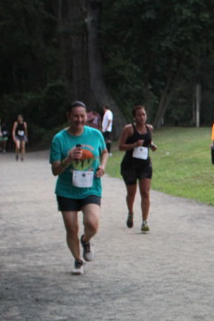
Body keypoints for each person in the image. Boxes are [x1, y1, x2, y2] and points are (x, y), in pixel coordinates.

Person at [50, 101, 108, 275]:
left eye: (82, 116)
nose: (79, 119)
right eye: (75, 116)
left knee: (93, 224)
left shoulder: (95, 134)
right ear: (69, 116)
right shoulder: (59, 139)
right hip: (67, 190)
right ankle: (77, 260)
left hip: (91, 187)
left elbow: (104, 152)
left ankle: (86, 239)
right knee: (71, 228)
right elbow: (55, 170)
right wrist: (68, 159)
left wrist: (102, 166)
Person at [117, 105, 158, 233]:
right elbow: (120, 146)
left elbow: (148, 141)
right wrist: (134, 145)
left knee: (145, 192)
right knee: (131, 194)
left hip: (145, 165)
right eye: (139, 115)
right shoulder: (129, 129)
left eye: (144, 114)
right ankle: (130, 212)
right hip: (129, 165)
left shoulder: (149, 128)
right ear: (134, 117)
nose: (142, 117)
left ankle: (145, 221)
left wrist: (152, 146)